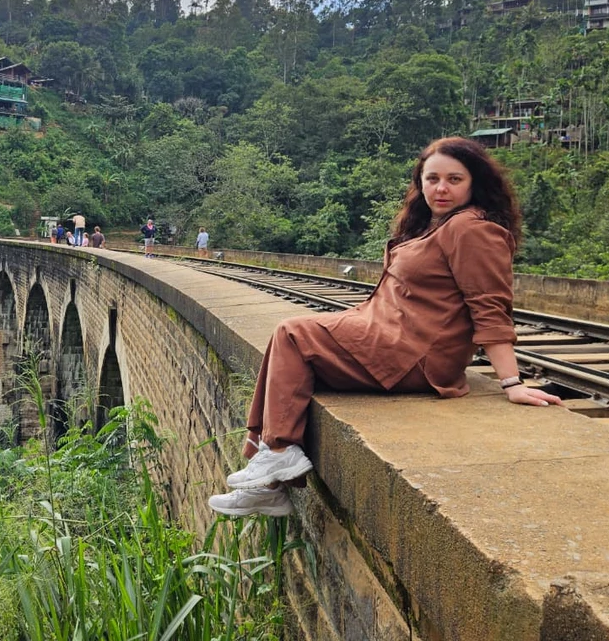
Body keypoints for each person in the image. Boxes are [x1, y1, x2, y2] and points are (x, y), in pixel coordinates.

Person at [208, 138, 563, 519]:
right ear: (421, 182)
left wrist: (511, 383)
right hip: (391, 338)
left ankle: (275, 455)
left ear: (474, 183)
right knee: (289, 347)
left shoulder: (472, 230)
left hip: (414, 356)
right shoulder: (435, 225)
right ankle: (268, 479)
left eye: (454, 179)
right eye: (432, 179)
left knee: (293, 334)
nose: (441, 188)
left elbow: (489, 306)